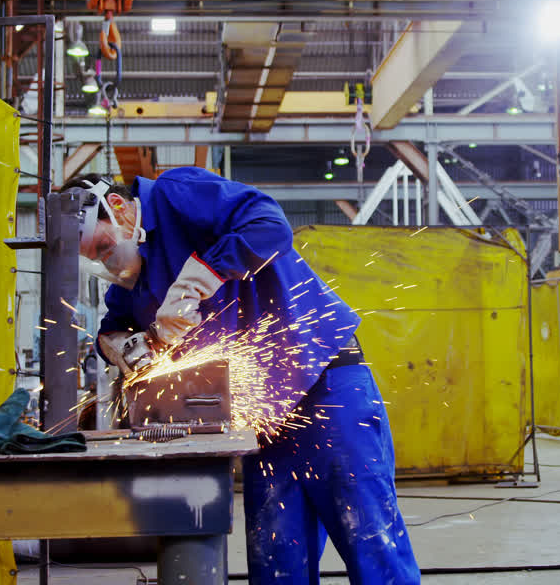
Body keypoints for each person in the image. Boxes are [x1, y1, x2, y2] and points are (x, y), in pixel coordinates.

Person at [68, 168, 420, 584]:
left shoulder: (173, 195)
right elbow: (111, 330)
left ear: (119, 207)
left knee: (372, 547)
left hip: (325, 390)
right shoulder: (132, 281)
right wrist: (125, 345)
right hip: (262, 421)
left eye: (105, 247)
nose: (107, 260)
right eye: (96, 258)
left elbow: (269, 226)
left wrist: (197, 280)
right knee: (275, 563)